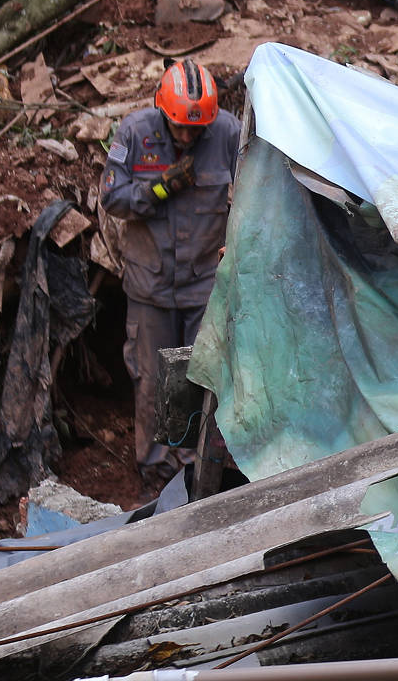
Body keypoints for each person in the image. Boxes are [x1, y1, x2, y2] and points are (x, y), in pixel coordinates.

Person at [100, 58, 238, 490]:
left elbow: (256, 189)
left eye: (196, 129)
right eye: (179, 128)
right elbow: (113, 198)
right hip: (150, 285)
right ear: (162, 112)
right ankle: (157, 474)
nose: (187, 136)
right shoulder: (134, 133)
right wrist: (159, 188)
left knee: (202, 375)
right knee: (153, 379)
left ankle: (201, 467)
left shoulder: (229, 134)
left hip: (203, 284)